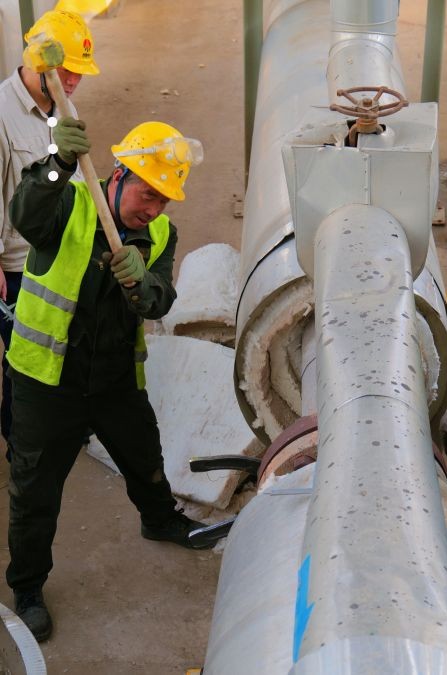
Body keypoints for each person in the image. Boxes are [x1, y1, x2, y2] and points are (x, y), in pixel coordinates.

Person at [6, 115, 212, 642]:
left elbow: (159, 301)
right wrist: (58, 164)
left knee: (144, 454)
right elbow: (25, 213)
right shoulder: (68, 207)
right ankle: (27, 588)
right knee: (35, 489)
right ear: (118, 175)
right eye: (148, 194)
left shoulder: (160, 234)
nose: (154, 209)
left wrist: (144, 286)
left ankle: (159, 519)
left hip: (115, 377)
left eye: (164, 200)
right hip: (47, 380)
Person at [0, 9, 98, 452]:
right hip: (17, 263)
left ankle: (59, 428)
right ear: (39, 62)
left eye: (79, 72)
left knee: (60, 347)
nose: (73, 81)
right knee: (25, 359)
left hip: (59, 255)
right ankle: (21, 440)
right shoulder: (4, 114)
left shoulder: (63, 105)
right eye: (66, 71)